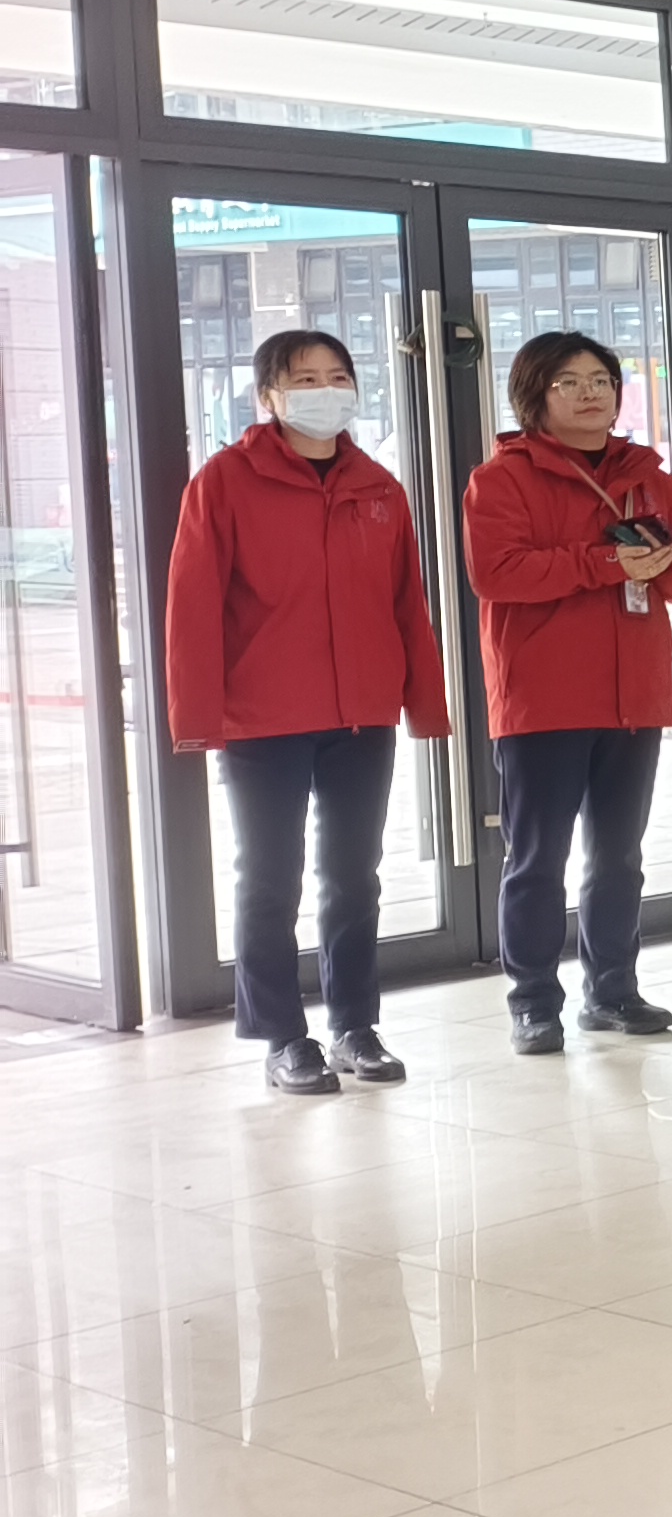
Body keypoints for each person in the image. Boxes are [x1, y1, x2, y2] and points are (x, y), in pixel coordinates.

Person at [165, 330, 447, 1092]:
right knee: (269, 877)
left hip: (362, 714)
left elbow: (407, 605)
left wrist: (424, 704)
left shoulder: (379, 487)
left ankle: (355, 1025)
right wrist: (198, 716)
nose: (327, 391)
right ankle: (283, 1036)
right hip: (264, 717)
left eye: (338, 376)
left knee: (354, 875)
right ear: (269, 396)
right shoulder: (224, 483)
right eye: (306, 379)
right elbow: (192, 606)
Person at [465, 330, 672, 1056]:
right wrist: (609, 563)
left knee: (619, 857)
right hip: (542, 701)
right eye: (568, 383)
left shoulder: (649, 478)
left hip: (634, 697)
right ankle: (534, 1002)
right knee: (536, 860)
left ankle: (613, 991)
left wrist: (666, 566)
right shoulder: (502, 479)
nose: (590, 394)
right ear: (534, 396)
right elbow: (498, 573)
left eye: (601, 380)